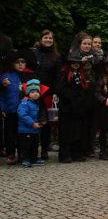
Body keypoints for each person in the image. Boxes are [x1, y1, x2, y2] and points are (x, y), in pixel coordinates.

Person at [0, 49, 38, 165]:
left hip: (26, 111)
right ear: (12, 63)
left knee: (23, 133)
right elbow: (1, 94)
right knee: (10, 132)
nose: (21, 64)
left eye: (23, 62)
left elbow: (36, 92)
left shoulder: (30, 75)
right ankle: (11, 153)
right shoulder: (5, 76)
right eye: (17, 62)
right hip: (11, 109)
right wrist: (2, 108)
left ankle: (23, 153)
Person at [31, 29, 62, 160]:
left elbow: (58, 76)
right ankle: (31, 150)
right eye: (45, 37)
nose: (48, 40)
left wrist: (56, 91)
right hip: (33, 92)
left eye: (50, 38)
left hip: (48, 93)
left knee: (47, 123)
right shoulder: (33, 53)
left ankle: (44, 149)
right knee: (32, 119)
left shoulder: (56, 56)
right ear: (40, 39)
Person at [57, 48, 90, 163]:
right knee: (66, 133)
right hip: (67, 108)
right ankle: (65, 154)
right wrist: (72, 97)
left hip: (78, 108)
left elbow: (84, 89)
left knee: (78, 132)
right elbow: (61, 89)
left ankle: (77, 153)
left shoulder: (82, 75)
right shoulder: (64, 74)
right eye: (73, 62)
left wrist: (81, 100)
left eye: (78, 63)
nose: (76, 64)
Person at [17, 79, 45, 167]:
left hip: (35, 130)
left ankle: (34, 158)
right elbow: (22, 115)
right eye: (32, 92)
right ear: (28, 93)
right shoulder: (24, 103)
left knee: (35, 145)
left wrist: (42, 121)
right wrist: (32, 123)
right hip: (26, 130)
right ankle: (25, 159)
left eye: (37, 91)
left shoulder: (37, 103)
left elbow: (39, 114)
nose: (35, 94)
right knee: (26, 146)